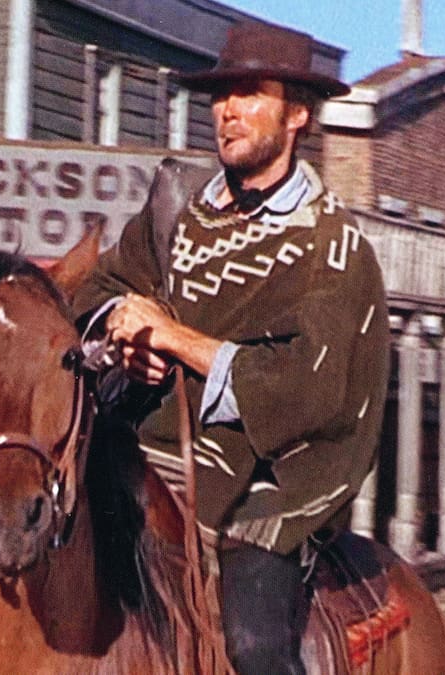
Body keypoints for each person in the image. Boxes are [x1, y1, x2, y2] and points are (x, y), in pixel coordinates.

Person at [72, 22, 391, 675]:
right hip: (138, 453)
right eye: (221, 95)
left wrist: (178, 339)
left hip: (263, 485)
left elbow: (312, 388)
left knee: (254, 646)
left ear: (296, 113)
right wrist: (125, 340)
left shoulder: (333, 247)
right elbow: (102, 287)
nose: (227, 110)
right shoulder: (176, 207)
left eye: (250, 94)